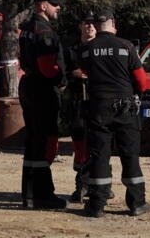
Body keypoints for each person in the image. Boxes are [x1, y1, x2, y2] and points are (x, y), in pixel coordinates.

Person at [79, 8, 150, 217]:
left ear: (96, 25)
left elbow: (82, 73)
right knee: (130, 155)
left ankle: (96, 205)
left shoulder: (86, 49)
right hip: (125, 108)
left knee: (99, 155)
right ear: (112, 23)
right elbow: (142, 81)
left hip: (98, 108)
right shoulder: (126, 46)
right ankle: (137, 203)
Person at [18, 0, 68, 209]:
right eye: (55, 4)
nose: (59, 8)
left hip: (29, 86)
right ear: (42, 5)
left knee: (32, 143)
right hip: (42, 89)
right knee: (44, 142)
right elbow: (48, 68)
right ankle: (42, 195)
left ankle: (29, 194)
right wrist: (62, 78)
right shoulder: (44, 31)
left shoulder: (27, 28)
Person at [63, 12, 96, 203]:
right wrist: (72, 73)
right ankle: (81, 186)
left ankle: (101, 186)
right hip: (77, 102)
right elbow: (60, 71)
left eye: (93, 24)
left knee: (99, 144)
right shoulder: (71, 50)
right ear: (80, 26)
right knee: (80, 145)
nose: (90, 26)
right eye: (86, 23)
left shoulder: (101, 47)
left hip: (97, 102)